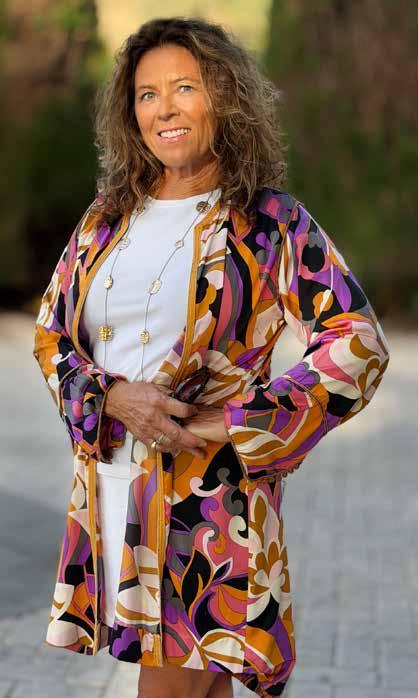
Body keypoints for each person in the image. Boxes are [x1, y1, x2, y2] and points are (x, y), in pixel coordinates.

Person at [32, 15, 391, 698]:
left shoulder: (270, 222)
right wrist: (111, 397)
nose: (164, 108)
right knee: (201, 689)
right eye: (147, 94)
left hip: (210, 511)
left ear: (224, 98)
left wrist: (237, 421)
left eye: (185, 87)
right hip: (113, 492)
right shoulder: (105, 219)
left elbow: (357, 341)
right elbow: (51, 334)